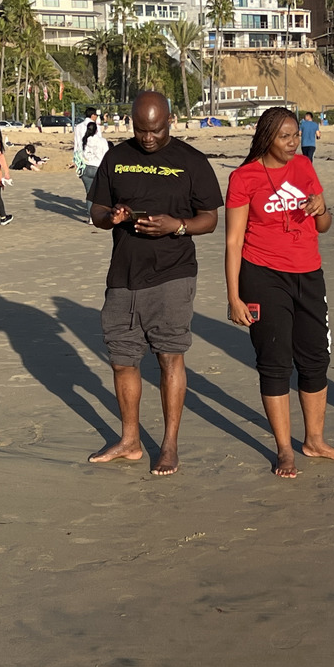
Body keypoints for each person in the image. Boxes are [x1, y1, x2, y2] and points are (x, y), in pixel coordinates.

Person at [86, 91, 223, 475]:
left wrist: (176, 226)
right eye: (141, 130)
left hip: (173, 274)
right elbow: (97, 210)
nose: (148, 138)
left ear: (170, 121)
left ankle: (169, 445)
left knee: (169, 357)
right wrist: (111, 217)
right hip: (123, 276)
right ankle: (129, 441)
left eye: (156, 130)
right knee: (122, 360)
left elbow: (210, 218)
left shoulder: (191, 161)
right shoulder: (116, 157)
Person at [225, 107, 334, 478]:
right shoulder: (243, 177)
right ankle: (284, 450)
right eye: (285, 136)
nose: (293, 142)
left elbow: (324, 225)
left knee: (315, 358)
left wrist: (321, 209)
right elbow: (233, 241)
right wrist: (234, 297)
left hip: (309, 273)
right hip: (262, 276)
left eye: (296, 135)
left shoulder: (304, 167)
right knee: (275, 361)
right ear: (267, 137)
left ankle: (315, 440)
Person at [76, 120, 108, 222]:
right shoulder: (102, 141)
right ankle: (99, 214)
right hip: (98, 168)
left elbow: (79, 154)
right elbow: (106, 155)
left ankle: (91, 217)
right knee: (99, 194)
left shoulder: (84, 140)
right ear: (96, 130)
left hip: (86, 168)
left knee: (89, 194)